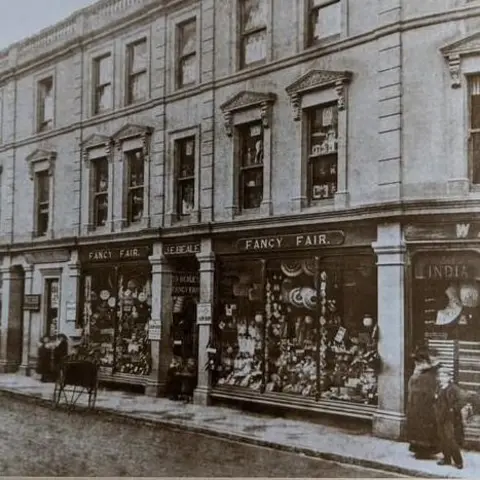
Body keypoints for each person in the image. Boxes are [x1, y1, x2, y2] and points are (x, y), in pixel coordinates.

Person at [406, 345, 441, 459]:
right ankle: (418, 450)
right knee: (418, 429)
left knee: (425, 430)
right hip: (415, 406)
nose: (417, 365)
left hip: (424, 407)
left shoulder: (428, 375)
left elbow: (428, 391)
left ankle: (424, 451)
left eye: (419, 362)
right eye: (417, 363)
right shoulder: (419, 373)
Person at [434, 368, 465, 469]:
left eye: (444, 376)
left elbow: (461, 401)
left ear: (449, 377)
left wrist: (453, 409)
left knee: (450, 439)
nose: (442, 378)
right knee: (442, 438)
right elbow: (436, 399)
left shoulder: (454, 388)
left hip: (449, 419)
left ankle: (458, 461)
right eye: (441, 376)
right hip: (440, 416)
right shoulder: (439, 387)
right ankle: (446, 458)